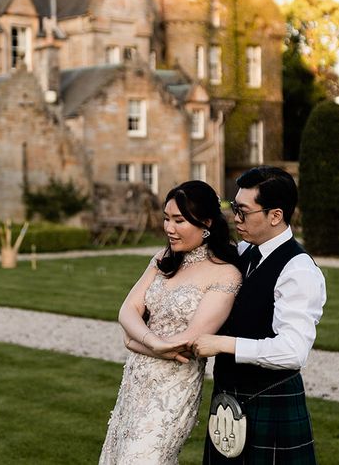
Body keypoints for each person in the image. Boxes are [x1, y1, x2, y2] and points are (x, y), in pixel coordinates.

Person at [99, 180, 242, 464]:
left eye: (179, 220)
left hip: (172, 391)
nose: (168, 228)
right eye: (166, 218)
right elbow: (127, 309)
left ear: (206, 223)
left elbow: (189, 344)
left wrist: (134, 341)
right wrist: (152, 342)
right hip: (135, 382)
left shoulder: (225, 275)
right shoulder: (163, 259)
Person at [191, 166, 326, 464]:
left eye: (243, 211)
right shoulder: (244, 252)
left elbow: (293, 351)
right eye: (233, 208)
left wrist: (224, 344)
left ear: (275, 215)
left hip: (270, 401)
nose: (235, 218)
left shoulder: (298, 269)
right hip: (229, 399)